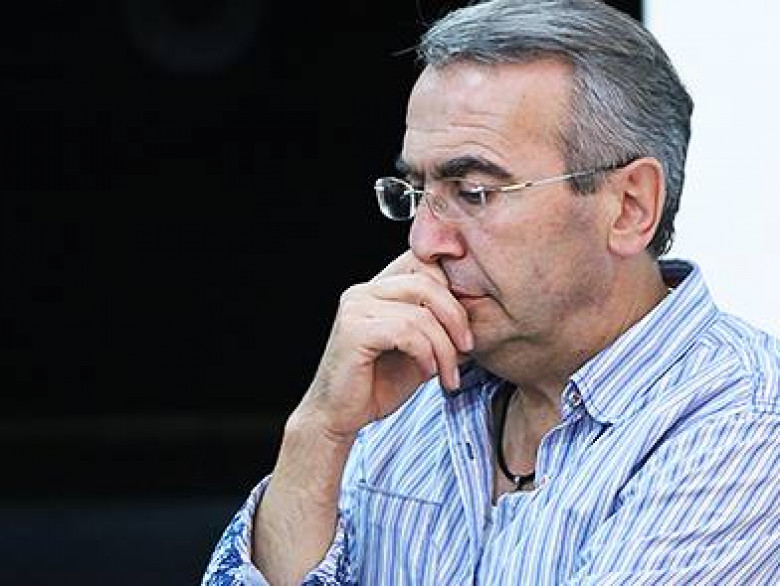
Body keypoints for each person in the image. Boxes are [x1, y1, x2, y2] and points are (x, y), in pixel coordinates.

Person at [202, 0, 780, 584]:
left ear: (630, 206)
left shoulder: (744, 422)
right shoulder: (406, 390)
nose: (425, 241)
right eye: (415, 191)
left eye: (474, 192)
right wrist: (320, 431)